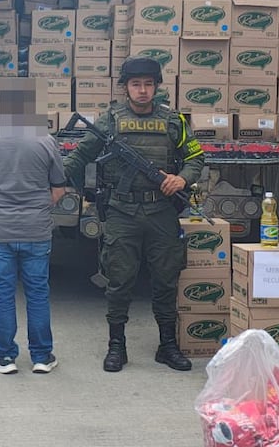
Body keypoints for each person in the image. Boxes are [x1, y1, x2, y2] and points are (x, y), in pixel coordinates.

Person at [63, 57, 205, 373]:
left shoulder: (173, 121)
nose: (142, 90)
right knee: (119, 280)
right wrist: (56, 181)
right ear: (126, 87)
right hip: (122, 210)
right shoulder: (109, 120)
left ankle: (167, 345)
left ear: (156, 87)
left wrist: (182, 179)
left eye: (148, 84)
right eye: (136, 84)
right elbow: (81, 155)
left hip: (161, 211)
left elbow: (195, 158)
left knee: (166, 279)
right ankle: (117, 346)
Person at [0, 78, 66, 375]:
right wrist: (36, 207)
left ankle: (5, 356)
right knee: (37, 292)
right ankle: (41, 356)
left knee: (3, 292)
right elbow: (59, 189)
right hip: (36, 230)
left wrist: (2, 208)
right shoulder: (45, 141)